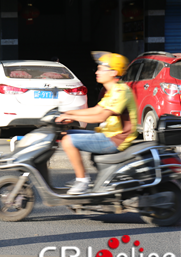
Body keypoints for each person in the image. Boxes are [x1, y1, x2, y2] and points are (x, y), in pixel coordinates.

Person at [55, 52, 137, 195]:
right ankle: (82, 179)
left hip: (116, 139)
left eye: (100, 69)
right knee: (64, 134)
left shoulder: (121, 91)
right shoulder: (111, 90)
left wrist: (72, 117)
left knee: (68, 141)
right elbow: (96, 109)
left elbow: (101, 116)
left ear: (113, 72)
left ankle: (82, 181)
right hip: (108, 135)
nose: (97, 72)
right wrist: (68, 113)